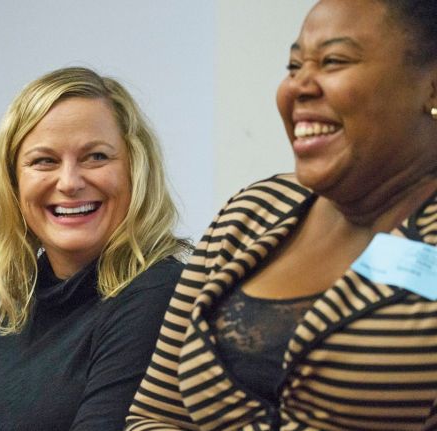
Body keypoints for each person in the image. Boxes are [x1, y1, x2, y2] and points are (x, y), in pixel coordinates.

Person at [126, 0, 437, 429]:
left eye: (333, 61)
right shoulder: (252, 213)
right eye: (294, 66)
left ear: (432, 87)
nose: (299, 86)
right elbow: (156, 414)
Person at [0, 67, 191, 430]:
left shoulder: (156, 294)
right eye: (44, 161)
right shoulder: (18, 308)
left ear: (136, 170)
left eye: (96, 157)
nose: (70, 182)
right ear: (12, 182)